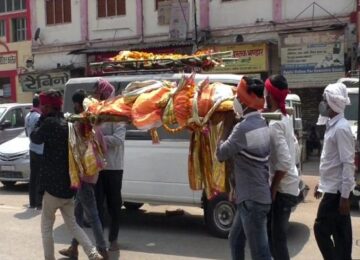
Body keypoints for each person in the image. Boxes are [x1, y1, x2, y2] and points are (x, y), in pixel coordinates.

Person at [30, 89, 103, 260]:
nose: (41, 109)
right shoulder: (69, 123)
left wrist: (41, 118)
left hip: (52, 189)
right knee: (73, 225)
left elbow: (34, 137)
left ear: (48, 107)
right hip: (70, 186)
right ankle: (92, 253)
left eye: (43, 106)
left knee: (46, 228)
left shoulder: (49, 124)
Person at [216, 77, 272, 260]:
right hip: (252, 196)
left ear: (245, 103)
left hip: (252, 200)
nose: (236, 102)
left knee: (260, 253)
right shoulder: (261, 123)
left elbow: (221, 154)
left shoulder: (243, 128)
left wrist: (224, 127)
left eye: (238, 99)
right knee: (235, 239)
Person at [59, 89, 108, 259]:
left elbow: (74, 150)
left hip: (83, 177)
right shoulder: (96, 126)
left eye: (75, 103)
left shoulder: (80, 126)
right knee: (77, 215)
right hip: (90, 176)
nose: (74, 106)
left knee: (92, 215)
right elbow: (104, 150)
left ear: (79, 104)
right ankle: (74, 248)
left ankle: (102, 249)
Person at [314, 82, 355, 260]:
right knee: (341, 234)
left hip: (337, 193)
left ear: (332, 103)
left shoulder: (341, 128)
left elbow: (348, 164)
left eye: (325, 99)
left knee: (320, 229)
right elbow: (331, 163)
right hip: (333, 189)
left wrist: (345, 197)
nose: (322, 103)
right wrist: (321, 184)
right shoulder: (333, 125)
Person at [264, 75, 300, 260]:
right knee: (273, 238)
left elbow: (285, 162)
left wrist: (273, 188)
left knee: (277, 240)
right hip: (289, 185)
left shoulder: (276, 123)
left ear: (269, 93)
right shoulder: (283, 116)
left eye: (265, 90)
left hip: (283, 189)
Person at [94, 78, 126, 251]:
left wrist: (99, 139)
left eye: (102, 95)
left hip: (114, 167)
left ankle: (113, 239)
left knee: (114, 205)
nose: (100, 99)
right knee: (98, 205)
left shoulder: (118, 115)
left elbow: (118, 140)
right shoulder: (97, 114)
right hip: (99, 167)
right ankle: (100, 240)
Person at [25, 94, 43, 209]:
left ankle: (32, 202)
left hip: (32, 148)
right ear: (40, 104)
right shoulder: (38, 117)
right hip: (40, 150)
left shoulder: (28, 116)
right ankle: (39, 203)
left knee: (33, 176)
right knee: (40, 177)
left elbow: (27, 133)